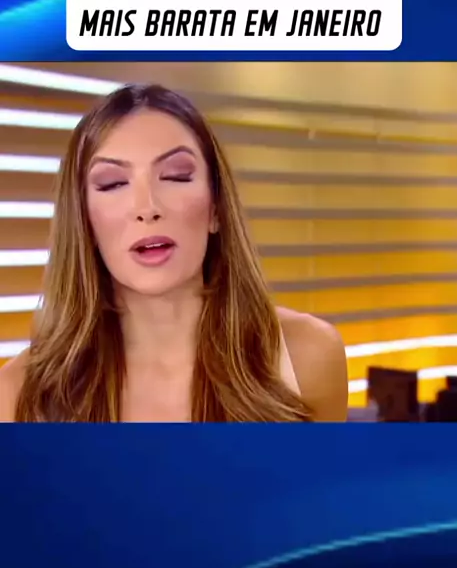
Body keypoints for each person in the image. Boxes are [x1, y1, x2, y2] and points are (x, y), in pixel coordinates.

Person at [0, 84, 348, 422]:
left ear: (215, 208)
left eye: (176, 176)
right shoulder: (17, 395)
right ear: (84, 222)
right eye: (113, 183)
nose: (147, 207)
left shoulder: (309, 357)